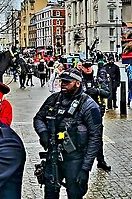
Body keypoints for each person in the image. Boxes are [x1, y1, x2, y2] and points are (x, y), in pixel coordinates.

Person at [33, 68, 102, 199]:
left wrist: (85, 168)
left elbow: (95, 138)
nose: (63, 84)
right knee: (50, 194)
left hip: (75, 160)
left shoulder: (89, 105)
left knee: (75, 194)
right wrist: (43, 133)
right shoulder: (54, 99)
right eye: (61, 81)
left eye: (67, 82)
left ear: (78, 83)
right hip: (53, 155)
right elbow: (38, 118)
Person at [81, 61, 112, 171]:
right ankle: (82, 162)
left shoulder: (97, 80)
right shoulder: (79, 80)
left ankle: (101, 160)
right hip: (82, 113)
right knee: (82, 137)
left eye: (89, 66)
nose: (88, 69)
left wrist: (97, 91)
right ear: (82, 68)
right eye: (86, 67)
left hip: (95, 112)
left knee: (98, 137)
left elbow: (107, 92)